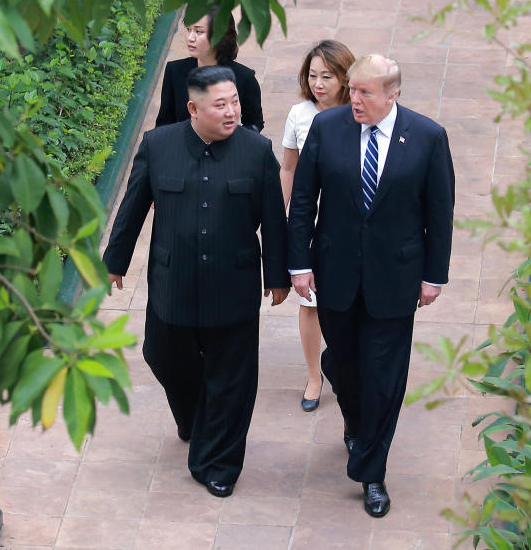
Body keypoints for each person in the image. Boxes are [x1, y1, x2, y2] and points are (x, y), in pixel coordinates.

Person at [103, 66, 290, 499]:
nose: (231, 112)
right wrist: (115, 261)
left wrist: (278, 276)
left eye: (236, 102)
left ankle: (219, 463)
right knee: (163, 356)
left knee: (232, 379)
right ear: (193, 108)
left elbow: (274, 223)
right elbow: (132, 207)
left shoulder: (256, 151)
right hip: (173, 285)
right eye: (220, 104)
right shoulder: (159, 144)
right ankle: (194, 417)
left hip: (235, 285)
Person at [287, 55, 455, 518]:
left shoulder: (427, 137)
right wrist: (299, 264)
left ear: (392, 94)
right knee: (347, 365)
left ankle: (371, 471)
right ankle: (347, 399)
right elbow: (303, 200)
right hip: (335, 273)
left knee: (384, 378)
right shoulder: (327, 128)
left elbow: (439, 213)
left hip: (396, 280)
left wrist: (433, 276)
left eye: (365, 92)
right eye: (352, 89)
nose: (354, 99)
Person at [279, 40, 356, 412]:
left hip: (346, 223)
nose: (319, 83)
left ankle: (346, 369)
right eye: (313, 75)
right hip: (309, 222)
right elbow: (289, 168)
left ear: (345, 77)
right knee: (309, 302)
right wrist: (282, 215)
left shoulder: (361, 112)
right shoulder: (299, 115)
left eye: (328, 75)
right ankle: (314, 375)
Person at [156, 7, 264, 132]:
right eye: (188, 29)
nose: (190, 37)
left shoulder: (245, 78)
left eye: (198, 32)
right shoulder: (174, 71)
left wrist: (234, 144)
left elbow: (254, 124)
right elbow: (164, 124)